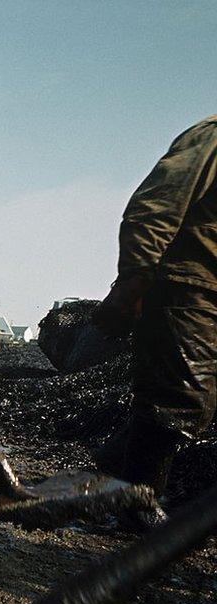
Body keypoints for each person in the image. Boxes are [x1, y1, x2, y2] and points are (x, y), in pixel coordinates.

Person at [92, 115, 217, 529]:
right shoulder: (212, 136)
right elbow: (155, 206)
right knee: (181, 404)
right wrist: (134, 282)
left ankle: (103, 478)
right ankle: (136, 506)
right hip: (187, 289)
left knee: (194, 407)